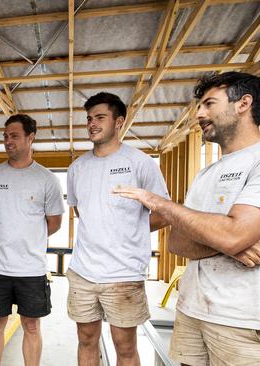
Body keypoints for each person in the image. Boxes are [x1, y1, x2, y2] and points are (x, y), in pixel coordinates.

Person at [114, 71, 260, 365]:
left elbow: (233, 233)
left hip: (248, 323)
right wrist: (230, 240)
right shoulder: (206, 173)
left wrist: (159, 203)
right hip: (193, 311)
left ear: (244, 103)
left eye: (209, 104)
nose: (199, 113)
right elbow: (178, 242)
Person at [66, 92, 169, 366]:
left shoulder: (140, 163)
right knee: (86, 338)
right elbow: (81, 212)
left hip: (123, 272)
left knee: (124, 346)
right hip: (83, 272)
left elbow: (164, 213)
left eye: (100, 117)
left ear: (119, 121)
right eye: (89, 118)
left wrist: (129, 229)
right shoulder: (77, 168)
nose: (92, 124)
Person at [0, 114, 64, 366]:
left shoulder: (47, 179)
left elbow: (55, 223)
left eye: (14, 136)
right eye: (5, 136)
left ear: (31, 137)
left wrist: (28, 237)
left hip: (31, 268)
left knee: (32, 326)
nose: (8, 141)